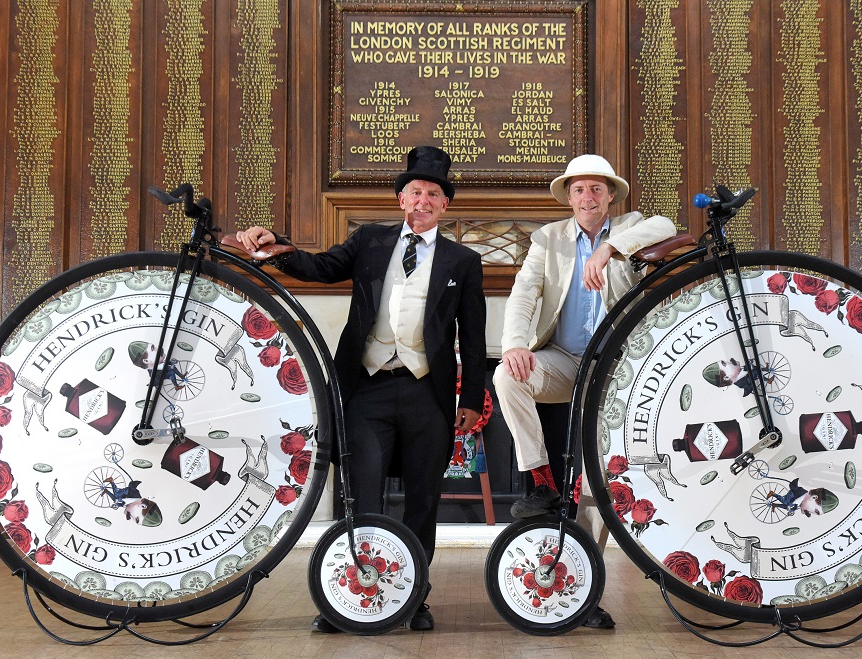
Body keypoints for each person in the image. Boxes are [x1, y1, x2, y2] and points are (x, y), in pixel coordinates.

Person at [236, 146, 486, 632]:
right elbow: (321, 267)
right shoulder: (370, 240)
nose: (423, 199)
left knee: (422, 500)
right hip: (367, 389)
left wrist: (471, 399)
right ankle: (349, 597)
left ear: (444, 206)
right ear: (400, 199)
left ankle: (413, 596)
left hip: (426, 394)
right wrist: (279, 246)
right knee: (360, 494)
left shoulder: (463, 260)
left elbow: (472, 336)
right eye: (415, 191)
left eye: (433, 194)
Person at [494, 154, 677, 629]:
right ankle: (540, 481)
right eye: (579, 190)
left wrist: (607, 251)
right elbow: (523, 294)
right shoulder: (548, 239)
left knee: (596, 482)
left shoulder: (634, 226)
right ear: (569, 196)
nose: (587, 197)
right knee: (506, 376)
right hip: (561, 359)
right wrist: (515, 343)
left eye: (596, 189)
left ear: (611, 195)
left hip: (616, 368)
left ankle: (585, 592)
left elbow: (665, 223)